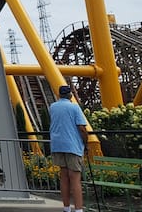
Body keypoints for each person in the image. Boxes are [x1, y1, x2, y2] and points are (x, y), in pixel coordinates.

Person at [49, 84, 88, 212]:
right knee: (75, 179)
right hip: (72, 145)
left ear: (59, 95)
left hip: (57, 144)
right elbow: (82, 127)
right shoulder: (74, 107)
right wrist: (86, 142)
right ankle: (78, 209)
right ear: (70, 95)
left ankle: (66, 208)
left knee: (64, 177)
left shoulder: (53, 107)